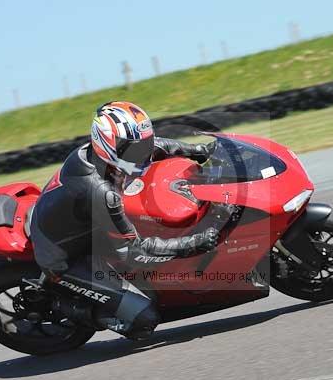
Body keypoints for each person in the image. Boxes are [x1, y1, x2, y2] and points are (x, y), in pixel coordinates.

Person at [29, 101, 217, 340]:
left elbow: (159, 146)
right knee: (145, 319)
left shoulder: (103, 156)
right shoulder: (100, 190)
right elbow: (133, 251)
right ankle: (75, 310)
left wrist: (200, 150)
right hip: (63, 256)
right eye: (135, 148)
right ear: (108, 145)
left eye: (144, 143)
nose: (144, 152)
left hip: (82, 225)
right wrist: (193, 244)